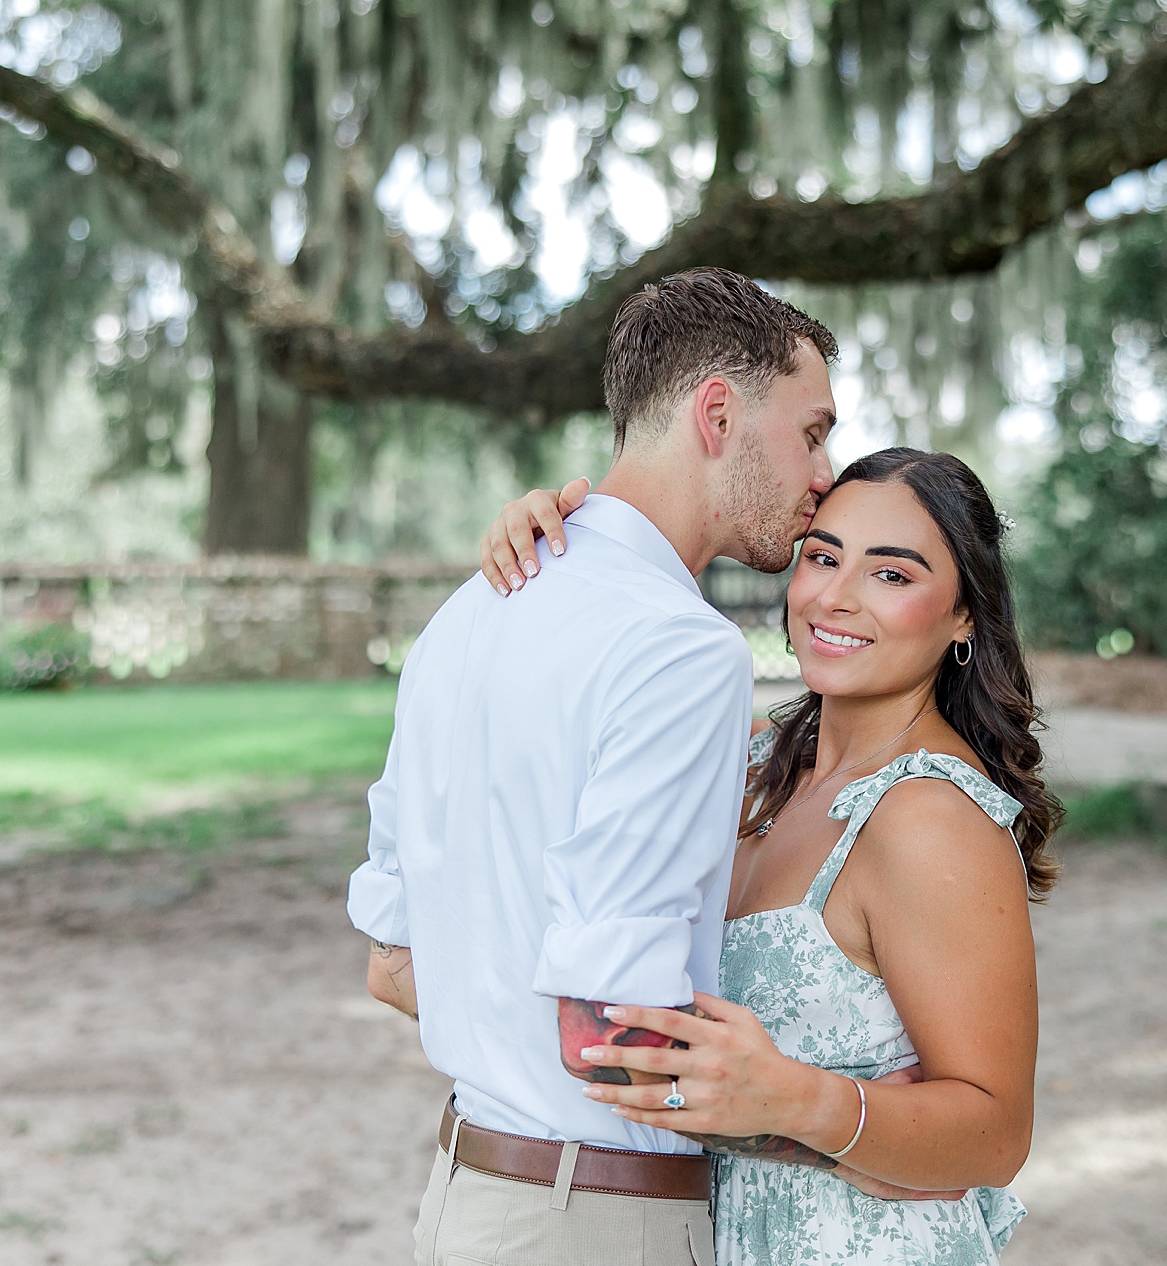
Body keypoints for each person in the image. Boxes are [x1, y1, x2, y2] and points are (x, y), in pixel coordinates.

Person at [347, 266, 840, 1266]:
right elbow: (608, 1041)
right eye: (813, 432)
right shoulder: (683, 647)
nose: (824, 474)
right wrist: (840, 1134)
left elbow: (393, 970)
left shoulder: (464, 614)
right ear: (716, 415)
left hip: (465, 1200)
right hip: (596, 1224)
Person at [479, 447, 1061, 1265]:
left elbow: (996, 1134)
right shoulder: (751, 770)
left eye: (891, 574)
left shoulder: (929, 816)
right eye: (822, 557)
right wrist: (565, 544)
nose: (835, 595)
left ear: (964, 614)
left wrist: (802, 1101)